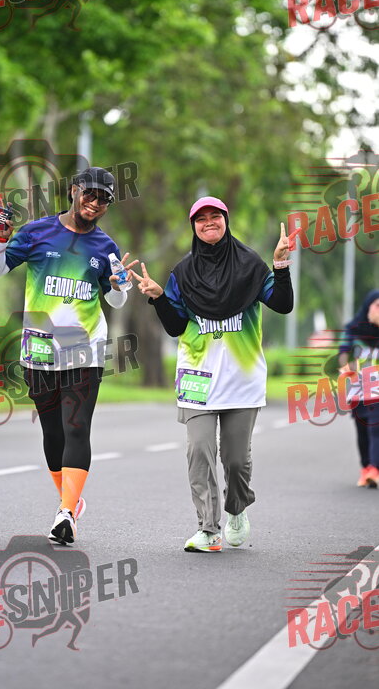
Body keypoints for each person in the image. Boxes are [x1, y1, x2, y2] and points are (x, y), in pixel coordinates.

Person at [130, 196, 294, 553]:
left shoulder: (250, 265)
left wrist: (280, 264)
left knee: (235, 461)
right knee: (199, 453)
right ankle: (207, 528)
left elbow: (282, 304)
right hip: (197, 379)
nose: (208, 222)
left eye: (214, 216)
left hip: (242, 380)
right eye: (200, 218)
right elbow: (175, 327)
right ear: (193, 227)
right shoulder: (182, 273)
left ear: (225, 220)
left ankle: (237, 508)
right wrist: (159, 297)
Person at [0, 167, 137, 545]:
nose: (96, 203)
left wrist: (120, 285)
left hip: (85, 350)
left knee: (76, 428)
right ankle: (69, 499)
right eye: (90, 194)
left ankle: (66, 513)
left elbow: (117, 299)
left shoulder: (106, 247)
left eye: (104, 199)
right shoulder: (37, 232)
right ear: (73, 191)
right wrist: (0, 240)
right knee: (53, 433)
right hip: (39, 349)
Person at [338, 290, 379, 488]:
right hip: (358, 391)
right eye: (377, 306)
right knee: (362, 430)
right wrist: (346, 366)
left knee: (376, 428)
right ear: (368, 307)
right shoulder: (353, 330)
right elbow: (343, 354)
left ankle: (375, 469)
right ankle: (366, 468)